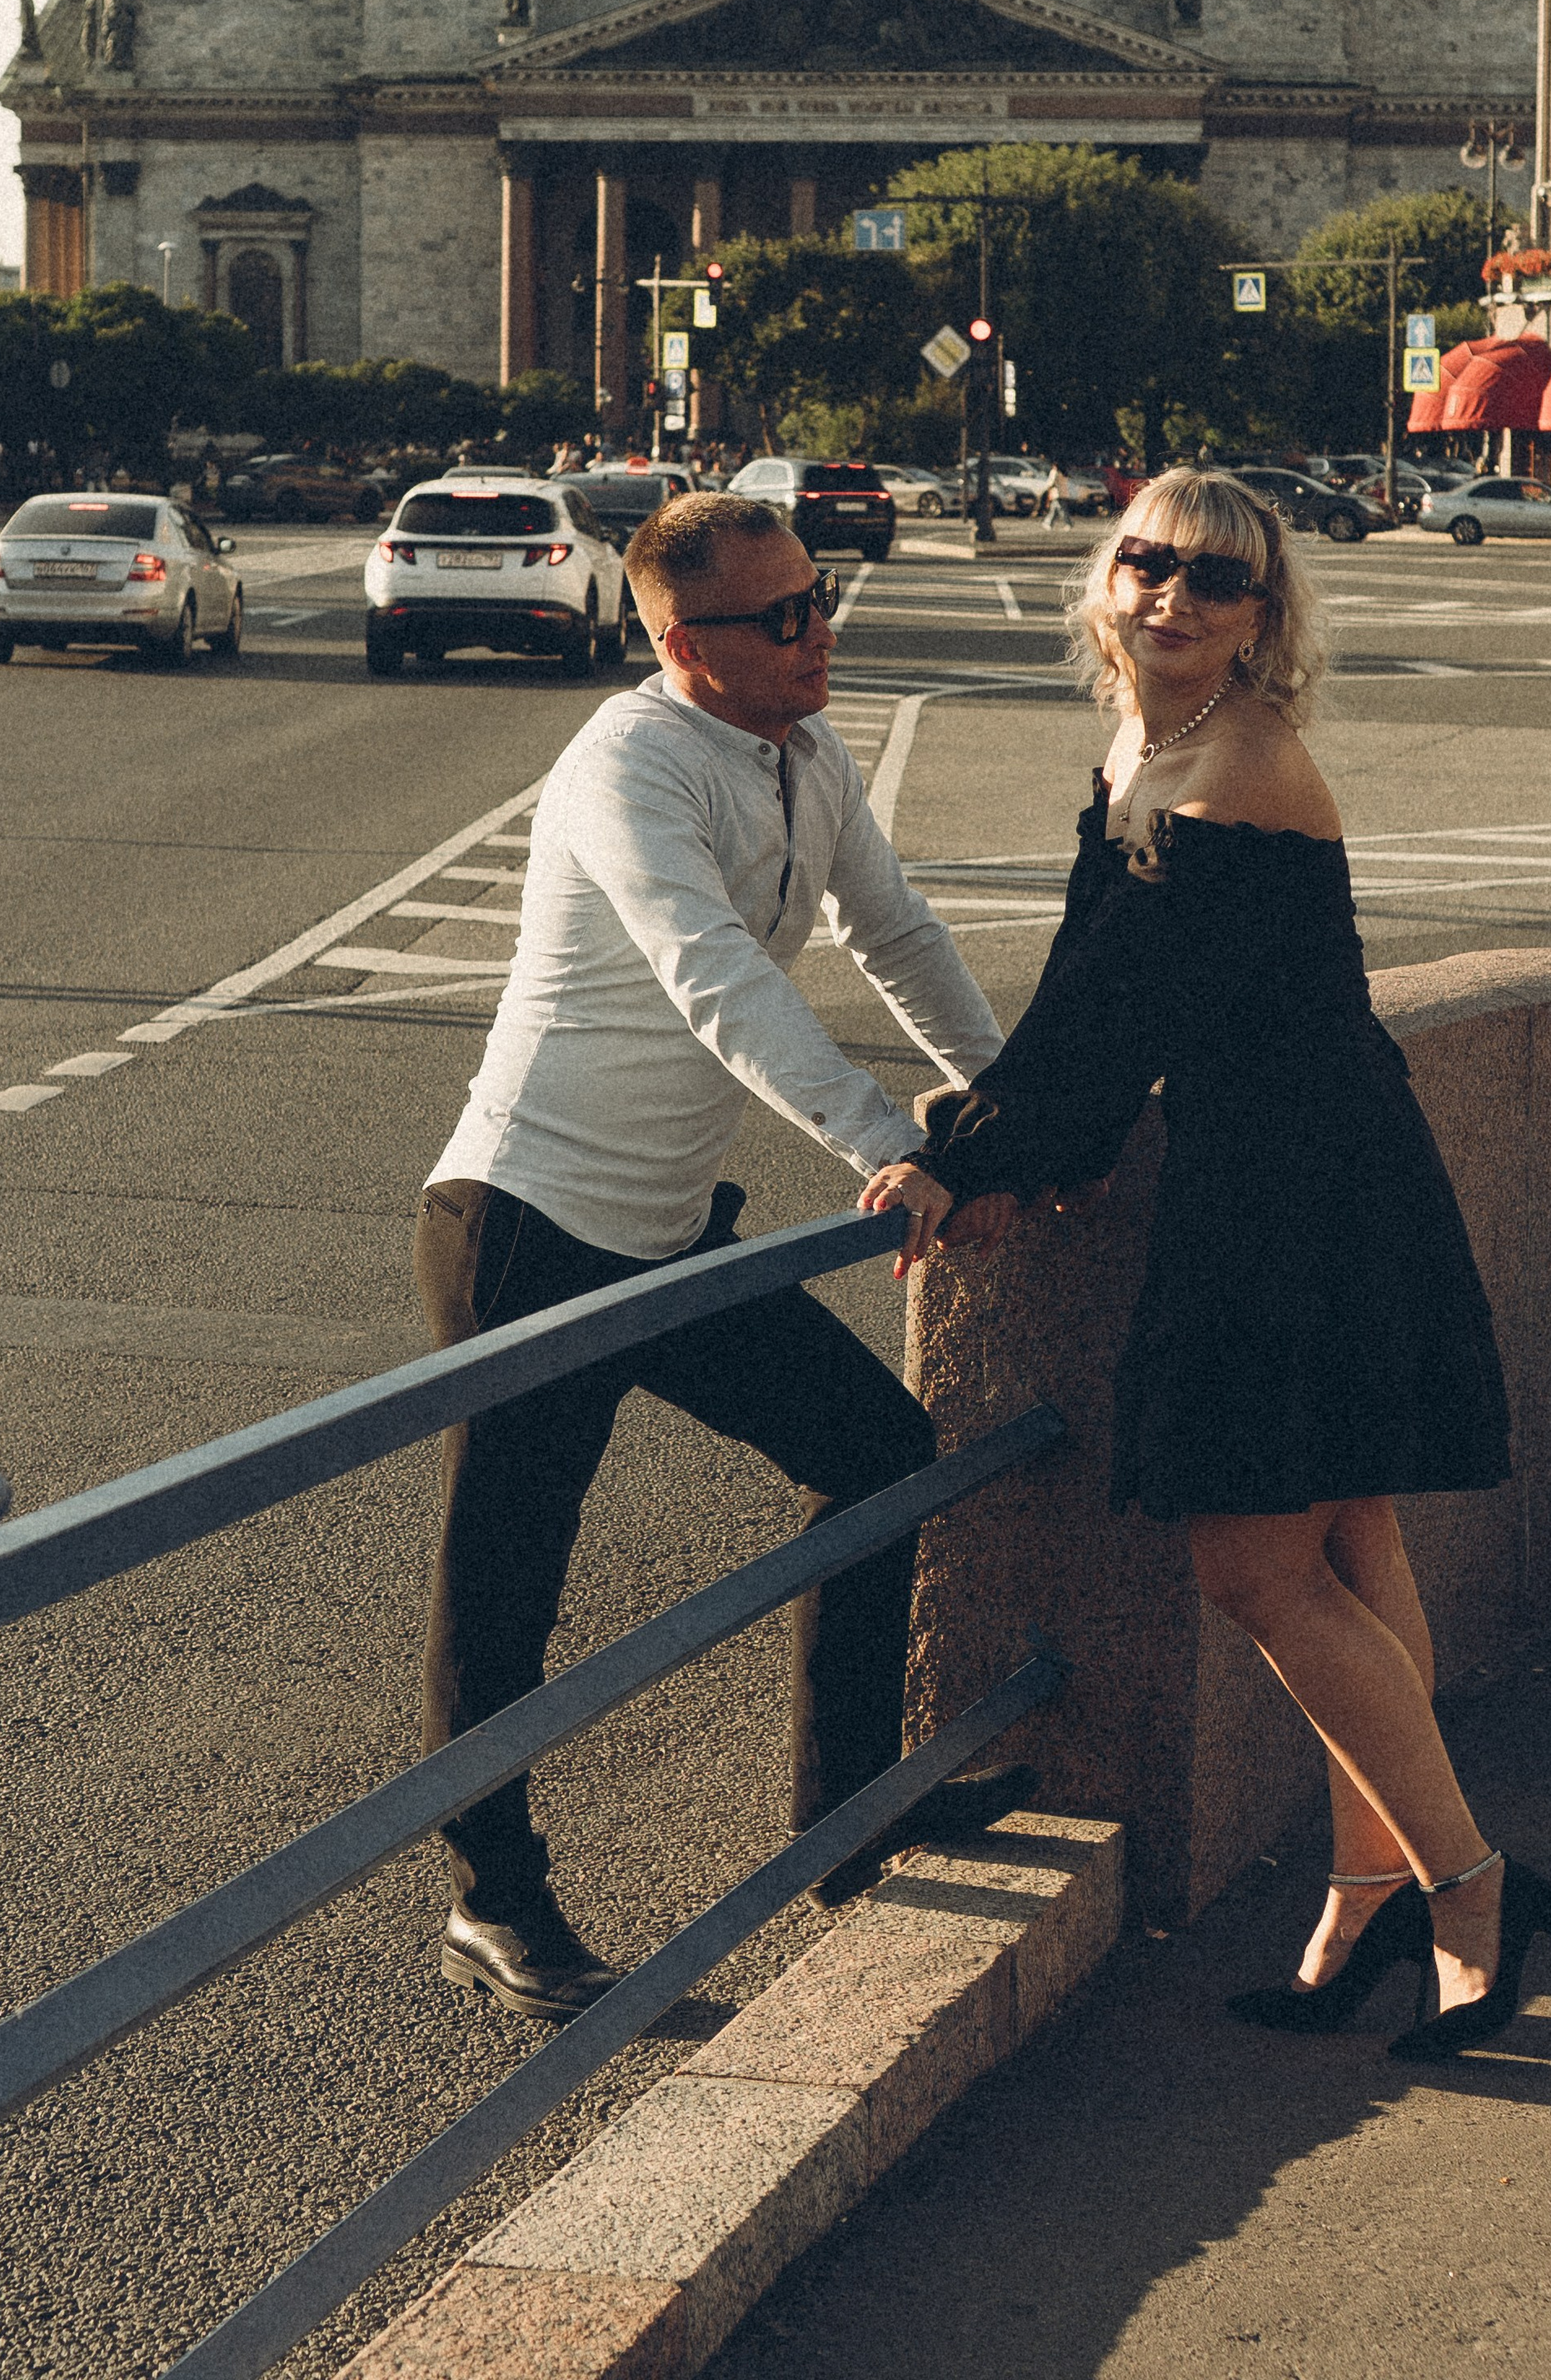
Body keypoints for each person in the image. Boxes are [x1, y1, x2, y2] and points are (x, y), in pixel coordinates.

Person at [862, 469, 1551, 2063]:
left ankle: (1474, 1890)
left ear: (1263, 622)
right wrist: (1013, 1136)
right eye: (1148, 563)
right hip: (1296, 1161)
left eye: (1216, 583)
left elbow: (1113, 1015)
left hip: (1298, 1186)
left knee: (1251, 1565)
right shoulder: (1145, 745)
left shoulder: (1234, 768)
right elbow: (1095, 985)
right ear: (1107, 580)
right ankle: (1370, 1895)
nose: (1172, 597)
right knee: (1350, 1535)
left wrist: (965, 1160)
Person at [416, 489, 1030, 2022]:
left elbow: (898, 934)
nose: (821, 632)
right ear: (684, 646)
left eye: (822, 600)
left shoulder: (806, 757)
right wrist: (885, 1141)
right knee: (507, 1589)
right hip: (528, 1231)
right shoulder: (627, 766)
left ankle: (846, 1808)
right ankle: (496, 1904)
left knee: (883, 1452)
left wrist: (1010, 1116)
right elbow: (713, 983)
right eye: (784, 618)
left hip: (674, 1235)